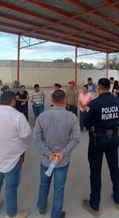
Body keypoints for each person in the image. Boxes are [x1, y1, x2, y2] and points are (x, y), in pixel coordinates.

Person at [0, 91, 31, 218]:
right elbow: (26, 134)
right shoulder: (17, 116)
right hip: (13, 157)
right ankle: (11, 214)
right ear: (12, 101)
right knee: (11, 185)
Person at [33, 90, 81, 218]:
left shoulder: (42, 116)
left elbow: (36, 138)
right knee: (59, 189)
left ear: (52, 100)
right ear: (65, 100)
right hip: (62, 161)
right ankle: (55, 215)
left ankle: (41, 208)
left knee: (43, 184)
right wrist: (63, 153)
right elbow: (76, 138)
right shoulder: (72, 117)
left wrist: (48, 154)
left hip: (46, 159)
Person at [82, 78, 119, 216]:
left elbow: (85, 122)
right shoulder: (117, 101)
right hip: (114, 138)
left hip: (97, 140)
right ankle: (118, 200)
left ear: (98, 88)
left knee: (95, 172)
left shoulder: (93, 104)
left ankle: (94, 205)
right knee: (114, 168)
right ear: (109, 87)